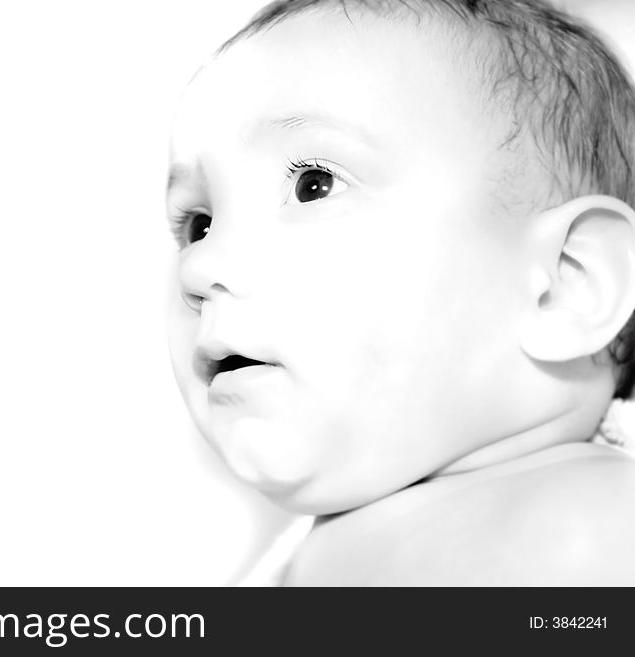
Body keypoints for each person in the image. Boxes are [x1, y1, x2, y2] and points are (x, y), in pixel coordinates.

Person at [165, 0, 635, 585]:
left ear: (564, 284)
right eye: (197, 224)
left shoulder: (591, 532)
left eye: (315, 185)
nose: (199, 264)